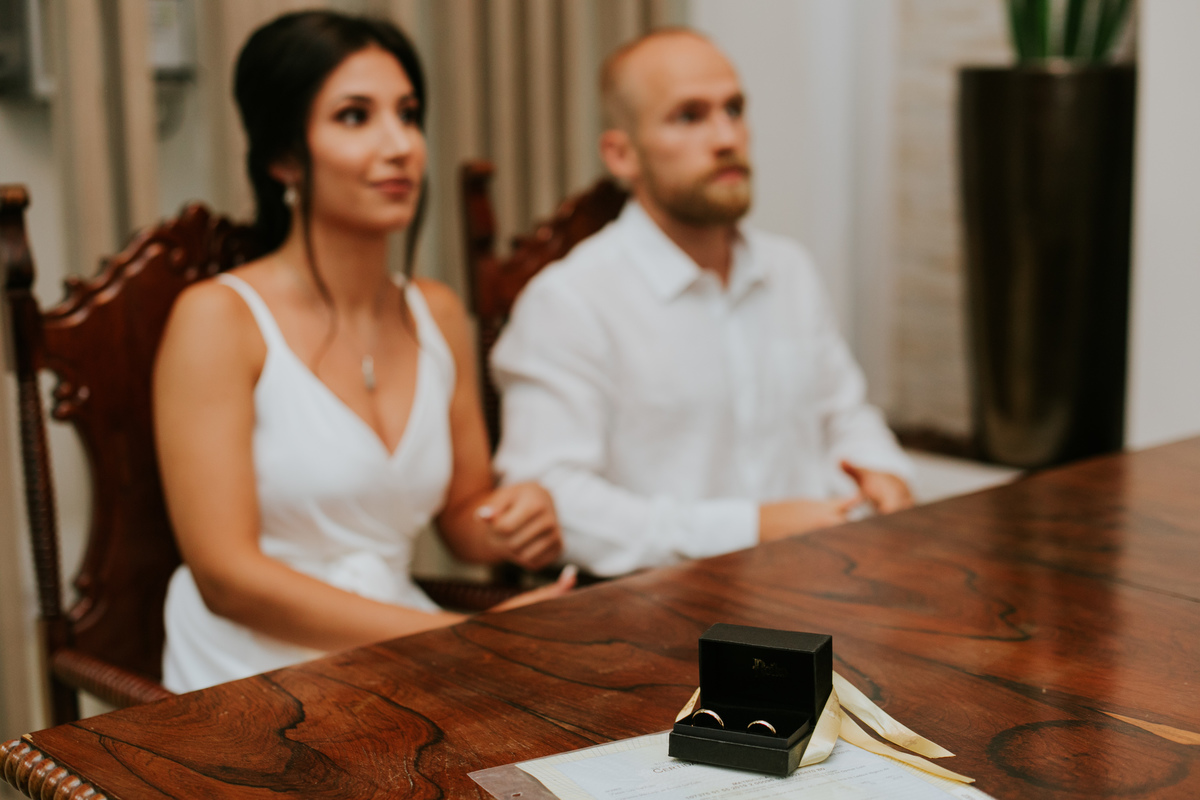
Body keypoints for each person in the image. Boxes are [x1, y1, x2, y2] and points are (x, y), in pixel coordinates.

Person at [154, 11, 572, 693]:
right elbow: (227, 580)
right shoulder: (218, 319)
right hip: (248, 672)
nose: (400, 144)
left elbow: (464, 516)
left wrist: (514, 521)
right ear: (283, 158)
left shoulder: (435, 312)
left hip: (400, 644)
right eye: (355, 116)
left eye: (407, 115)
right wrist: (458, 639)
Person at [491, 29, 914, 578]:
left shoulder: (789, 269)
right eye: (689, 116)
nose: (726, 137)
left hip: (823, 579)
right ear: (622, 154)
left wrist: (884, 475)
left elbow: (845, 416)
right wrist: (748, 529)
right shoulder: (569, 301)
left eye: (733, 110)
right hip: (660, 607)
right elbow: (554, 499)